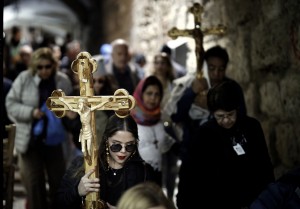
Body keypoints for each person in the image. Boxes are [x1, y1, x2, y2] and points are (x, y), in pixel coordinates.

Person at [176, 80, 275, 209]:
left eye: (230, 114)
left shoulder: (251, 127)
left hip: (252, 201)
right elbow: (190, 174)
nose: (227, 120)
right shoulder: (204, 134)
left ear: (237, 109)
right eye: (220, 116)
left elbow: (264, 165)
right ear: (212, 114)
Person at [5, 47, 73, 209]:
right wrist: (31, 112)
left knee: (58, 182)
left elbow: (71, 106)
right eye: (40, 67)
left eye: (48, 66)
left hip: (54, 139)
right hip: (30, 140)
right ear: (35, 67)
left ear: (53, 65)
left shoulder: (61, 81)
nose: (44, 71)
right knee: (34, 184)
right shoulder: (24, 78)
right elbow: (11, 104)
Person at [54, 114, 159, 209]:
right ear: (106, 140)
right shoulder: (84, 164)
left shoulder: (144, 172)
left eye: (129, 146)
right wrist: (77, 191)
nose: (123, 151)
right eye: (116, 145)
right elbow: (58, 202)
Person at [163, 45, 247, 163]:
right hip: (193, 151)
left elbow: (241, 118)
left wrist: (211, 107)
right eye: (212, 68)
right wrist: (191, 92)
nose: (216, 73)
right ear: (205, 66)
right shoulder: (193, 84)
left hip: (223, 151)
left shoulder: (232, 88)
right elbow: (177, 116)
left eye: (221, 69)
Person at [131, 75, 176, 186]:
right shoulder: (130, 119)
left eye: (157, 94)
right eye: (149, 93)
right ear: (141, 94)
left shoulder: (160, 118)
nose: (153, 98)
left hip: (157, 175)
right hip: (136, 177)